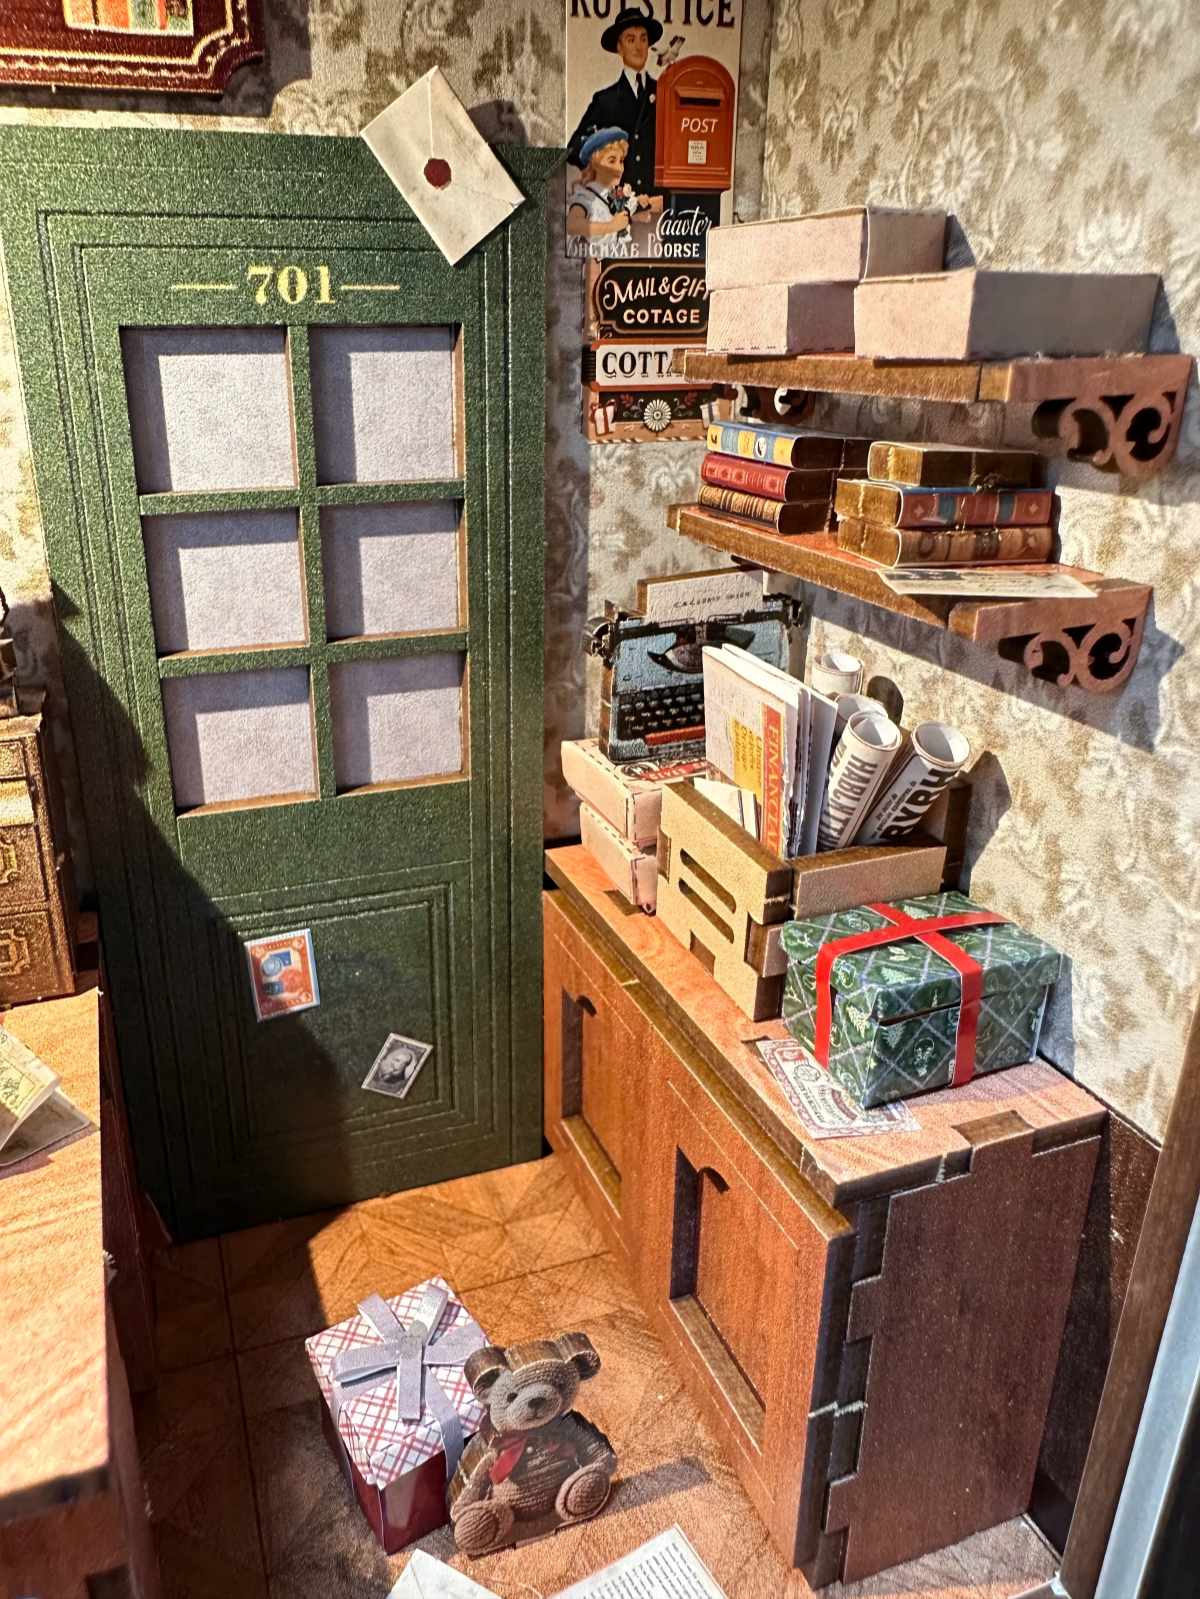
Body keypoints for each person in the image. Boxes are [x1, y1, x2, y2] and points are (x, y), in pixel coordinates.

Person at [567, 5, 663, 198]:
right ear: (619, 48)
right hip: (616, 205)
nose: (638, 46)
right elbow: (575, 150)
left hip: (657, 205)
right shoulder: (605, 100)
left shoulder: (664, 92)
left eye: (643, 39)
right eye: (631, 40)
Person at [566, 127, 662, 258]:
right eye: (611, 160)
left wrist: (635, 213)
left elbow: (617, 219)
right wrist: (611, 226)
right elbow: (572, 225)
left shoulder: (615, 196)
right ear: (594, 164)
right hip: (596, 268)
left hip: (618, 264)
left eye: (621, 160)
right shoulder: (587, 196)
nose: (619, 167)